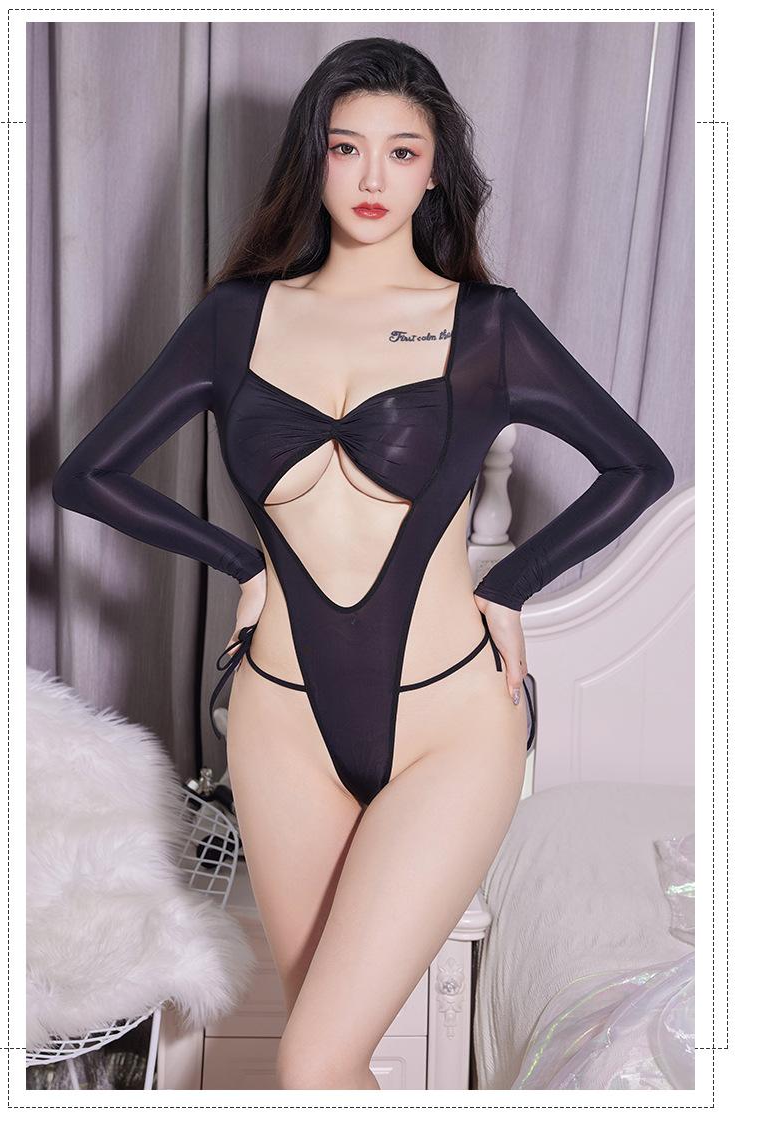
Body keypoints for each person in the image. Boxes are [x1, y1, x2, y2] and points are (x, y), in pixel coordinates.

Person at [51, 37, 675, 1090]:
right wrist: (238, 560)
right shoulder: (236, 319)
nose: (373, 177)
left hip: (450, 724)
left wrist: (507, 586)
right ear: (316, 159)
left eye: (402, 151)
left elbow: (638, 466)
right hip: (280, 722)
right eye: (347, 148)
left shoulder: (484, 327)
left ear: (435, 172)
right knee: (331, 1058)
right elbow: (88, 473)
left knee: (312, 1058)